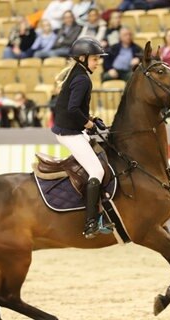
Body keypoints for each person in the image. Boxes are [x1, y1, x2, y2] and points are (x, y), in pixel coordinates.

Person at [52, 38, 112, 239]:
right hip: (70, 133)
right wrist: (88, 124)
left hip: (72, 128)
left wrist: (91, 119)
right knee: (96, 170)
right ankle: (91, 222)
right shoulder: (82, 79)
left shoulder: (79, 74)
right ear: (83, 58)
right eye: (95, 58)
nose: (98, 62)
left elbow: (75, 108)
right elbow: (73, 109)